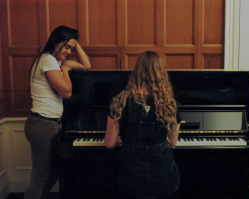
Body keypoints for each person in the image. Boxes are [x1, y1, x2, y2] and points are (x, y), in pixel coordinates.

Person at [24, 25, 91, 199]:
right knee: (40, 177)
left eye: (71, 48)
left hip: (48, 124)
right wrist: (66, 71)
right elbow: (67, 93)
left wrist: (76, 44)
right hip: (42, 125)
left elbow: (87, 65)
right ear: (56, 42)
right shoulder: (48, 60)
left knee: (53, 173)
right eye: (66, 47)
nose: (69, 52)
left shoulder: (55, 62)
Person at [105, 51, 181, 199]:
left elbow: (109, 144)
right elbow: (172, 142)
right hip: (163, 178)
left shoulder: (121, 100)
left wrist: (122, 139)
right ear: (161, 74)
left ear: (137, 72)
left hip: (131, 178)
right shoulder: (170, 104)